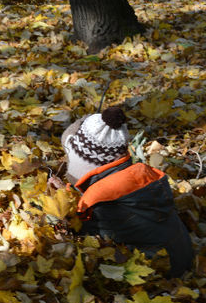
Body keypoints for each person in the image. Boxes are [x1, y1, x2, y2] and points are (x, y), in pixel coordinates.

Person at [55, 106, 193, 278]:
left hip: (156, 274)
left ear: (83, 164)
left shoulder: (100, 200)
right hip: (181, 256)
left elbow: (77, 229)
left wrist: (62, 200)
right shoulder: (138, 177)